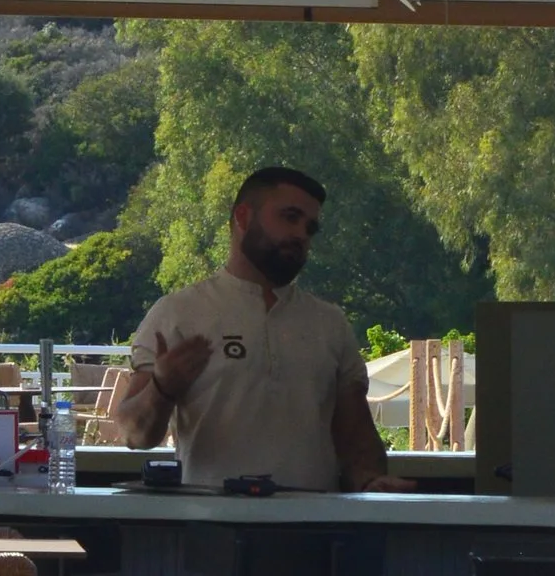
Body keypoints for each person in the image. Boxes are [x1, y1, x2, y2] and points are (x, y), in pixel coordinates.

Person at [107, 166, 394, 490]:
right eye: (289, 217)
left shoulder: (330, 323)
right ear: (243, 217)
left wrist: (373, 485)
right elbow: (134, 434)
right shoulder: (178, 313)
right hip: (210, 527)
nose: (301, 234)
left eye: (310, 227)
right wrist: (161, 389)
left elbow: (357, 442)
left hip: (314, 530)